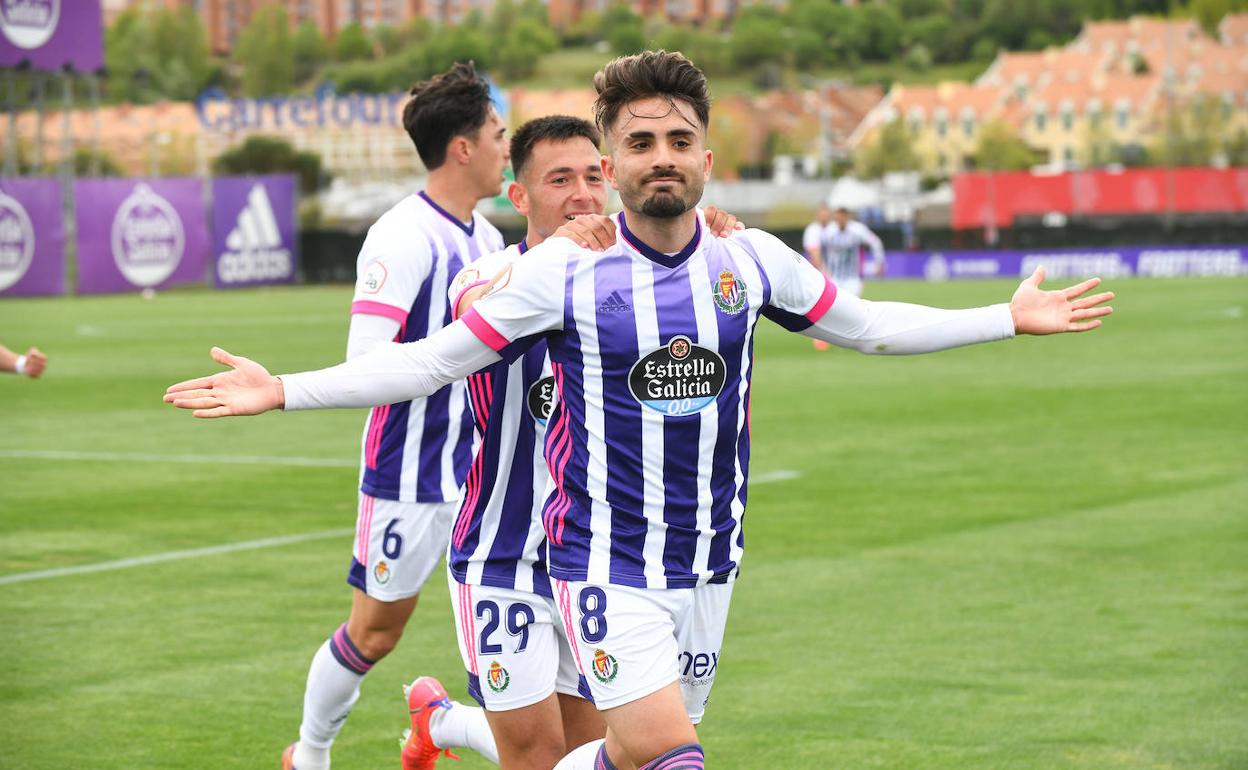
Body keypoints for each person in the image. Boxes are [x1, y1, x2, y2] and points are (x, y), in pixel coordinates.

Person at [165, 51, 1113, 770]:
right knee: (671, 759)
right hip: (601, 567)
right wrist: (283, 388)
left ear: (707, 153)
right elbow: (429, 362)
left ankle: (443, 729)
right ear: (612, 162)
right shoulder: (559, 273)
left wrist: (1005, 317)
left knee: (620, 754)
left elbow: (866, 326)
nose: (661, 159)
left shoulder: (751, 261)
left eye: (678, 140)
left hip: (710, 560)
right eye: (637, 144)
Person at [413, 114, 741, 770]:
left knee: (598, 752)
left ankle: (441, 720)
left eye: (593, 175)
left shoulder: (637, 280)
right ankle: (445, 721)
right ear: (520, 196)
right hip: (506, 553)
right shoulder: (488, 275)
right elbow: (476, 306)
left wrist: (714, 241)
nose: (583, 194)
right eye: (560, 180)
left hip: (602, 556)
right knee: (534, 756)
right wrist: (558, 254)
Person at [282, 62, 507, 770]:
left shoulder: (489, 241)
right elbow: (366, 363)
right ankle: (310, 756)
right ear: (463, 147)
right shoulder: (402, 236)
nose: (508, 148)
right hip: (410, 476)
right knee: (374, 636)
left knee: (512, 647)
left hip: (482, 479)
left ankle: (442, 723)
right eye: (499, 135)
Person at [803, 204, 886, 349]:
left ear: (846, 218)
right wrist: (821, 269)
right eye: (837, 218)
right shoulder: (828, 232)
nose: (839, 221)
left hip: (853, 278)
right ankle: (823, 338)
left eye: (842, 218)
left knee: (853, 310)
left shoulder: (857, 230)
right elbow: (816, 250)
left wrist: (879, 261)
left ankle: (855, 338)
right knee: (828, 309)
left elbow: (875, 242)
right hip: (834, 278)